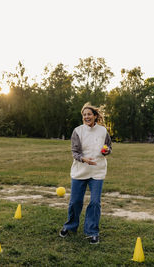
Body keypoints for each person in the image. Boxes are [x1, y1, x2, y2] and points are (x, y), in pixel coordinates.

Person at [59, 103, 112, 245]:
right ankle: (70, 226)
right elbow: (75, 152)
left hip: (98, 171)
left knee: (95, 202)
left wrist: (106, 151)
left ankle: (92, 232)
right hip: (80, 170)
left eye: (89, 114)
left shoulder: (103, 131)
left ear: (95, 116)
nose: (86, 117)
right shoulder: (78, 131)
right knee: (75, 202)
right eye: (84, 115)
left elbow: (109, 147)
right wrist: (84, 159)